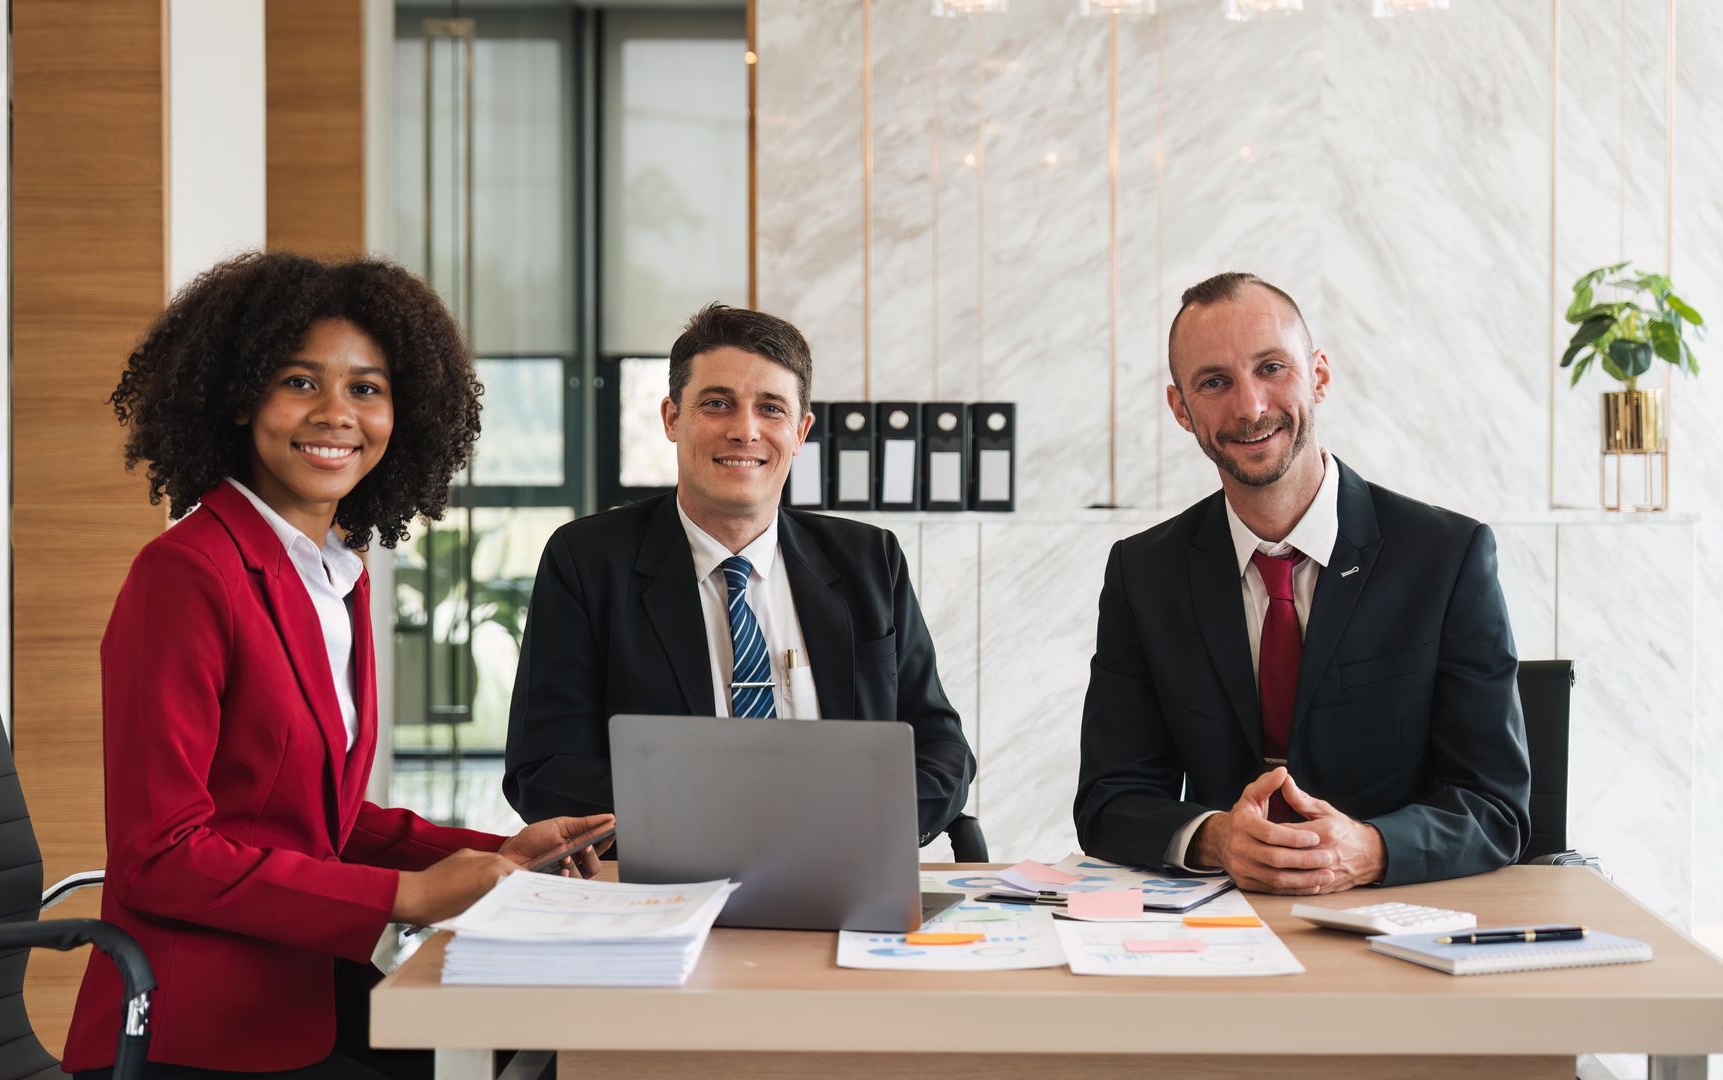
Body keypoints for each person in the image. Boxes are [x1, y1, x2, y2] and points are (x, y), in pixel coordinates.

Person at [63, 252, 612, 1079]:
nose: (336, 414)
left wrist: (507, 851)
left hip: (311, 992)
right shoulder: (186, 575)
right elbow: (161, 855)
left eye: (367, 388)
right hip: (196, 1029)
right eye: (299, 381)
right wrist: (406, 897)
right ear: (241, 396)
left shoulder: (331, 575)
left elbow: (326, 819)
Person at [1073, 271, 1530, 893]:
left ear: (1318, 376)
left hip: (1398, 917)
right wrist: (1216, 838)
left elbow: (1495, 805)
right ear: (1181, 409)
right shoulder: (1143, 573)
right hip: (1216, 927)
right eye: (1214, 382)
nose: (1250, 407)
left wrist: (1372, 849)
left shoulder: (1447, 557)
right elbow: (1109, 800)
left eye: (1271, 368)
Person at [502, 303, 975, 846]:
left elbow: (941, 748)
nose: (745, 431)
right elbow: (544, 770)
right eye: (717, 404)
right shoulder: (586, 560)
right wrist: (734, 826)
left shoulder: (870, 560)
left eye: (770, 409)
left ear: (800, 431)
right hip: (663, 883)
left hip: (849, 866)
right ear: (672, 418)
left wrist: (865, 828)